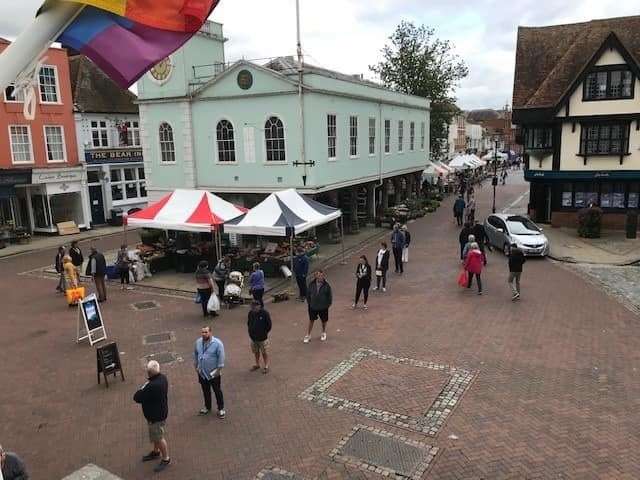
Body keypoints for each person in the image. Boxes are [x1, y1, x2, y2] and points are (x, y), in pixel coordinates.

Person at [134, 360, 170, 473]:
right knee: (156, 435)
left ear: (149, 373)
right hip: (160, 412)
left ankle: (166, 458)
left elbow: (137, 397)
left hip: (156, 417)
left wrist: (144, 386)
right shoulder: (163, 378)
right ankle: (156, 452)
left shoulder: (151, 386)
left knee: (159, 437)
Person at [194, 326, 225, 418]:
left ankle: (221, 409)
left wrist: (217, 371)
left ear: (210, 332)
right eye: (202, 332)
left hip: (213, 374)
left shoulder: (217, 344)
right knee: (205, 391)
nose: (204, 334)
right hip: (202, 373)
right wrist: (196, 367)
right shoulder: (198, 342)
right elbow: (195, 354)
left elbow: (221, 359)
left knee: (217, 391)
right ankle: (207, 407)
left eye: (206, 332)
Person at [304, 270, 332, 343]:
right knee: (311, 320)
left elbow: (329, 296)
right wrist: (309, 303)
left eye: (322, 275)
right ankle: (308, 334)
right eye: (319, 275)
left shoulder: (326, 285)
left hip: (323, 307)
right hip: (313, 306)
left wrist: (327, 305)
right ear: (316, 276)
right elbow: (308, 294)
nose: (321, 277)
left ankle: (323, 332)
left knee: (324, 321)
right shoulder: (311, 284)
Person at [247, 300, 272, 373]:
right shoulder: (251, 313)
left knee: (264, 352)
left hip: (262, 338)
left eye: (254, 307)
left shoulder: (265, 313)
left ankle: (266, 365)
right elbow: (248, 323)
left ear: (259, 306)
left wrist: (264, 333)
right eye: (252, 307)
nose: (253, 309)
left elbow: (269, 325)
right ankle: (257, 364)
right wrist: (250, 332)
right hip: (253, 338)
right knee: (256, 352)